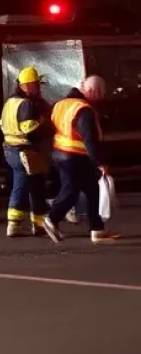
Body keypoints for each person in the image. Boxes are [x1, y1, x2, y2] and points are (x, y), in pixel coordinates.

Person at [43, 76, 118, 244]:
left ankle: (97, 229)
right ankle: (52, 218)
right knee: (72, 190)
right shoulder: (83, 109)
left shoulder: (61, 104)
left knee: (92, 190)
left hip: (59, 153)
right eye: (99, 94)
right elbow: (89, 139)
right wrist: (100, 162)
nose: (101, 98)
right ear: (92, 91)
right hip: (75, 156)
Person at [0, 66, 52, 238]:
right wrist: (44, 125)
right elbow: (29, 129)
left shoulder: (10, 102)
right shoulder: (26, 104)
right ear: (28, 85)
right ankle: (14, 225)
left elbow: (1, 123)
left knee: (36, 184)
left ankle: (40, 223)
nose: (39, 88)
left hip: (10, 148)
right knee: (21, 185)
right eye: (36, 84)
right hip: (23, 150)